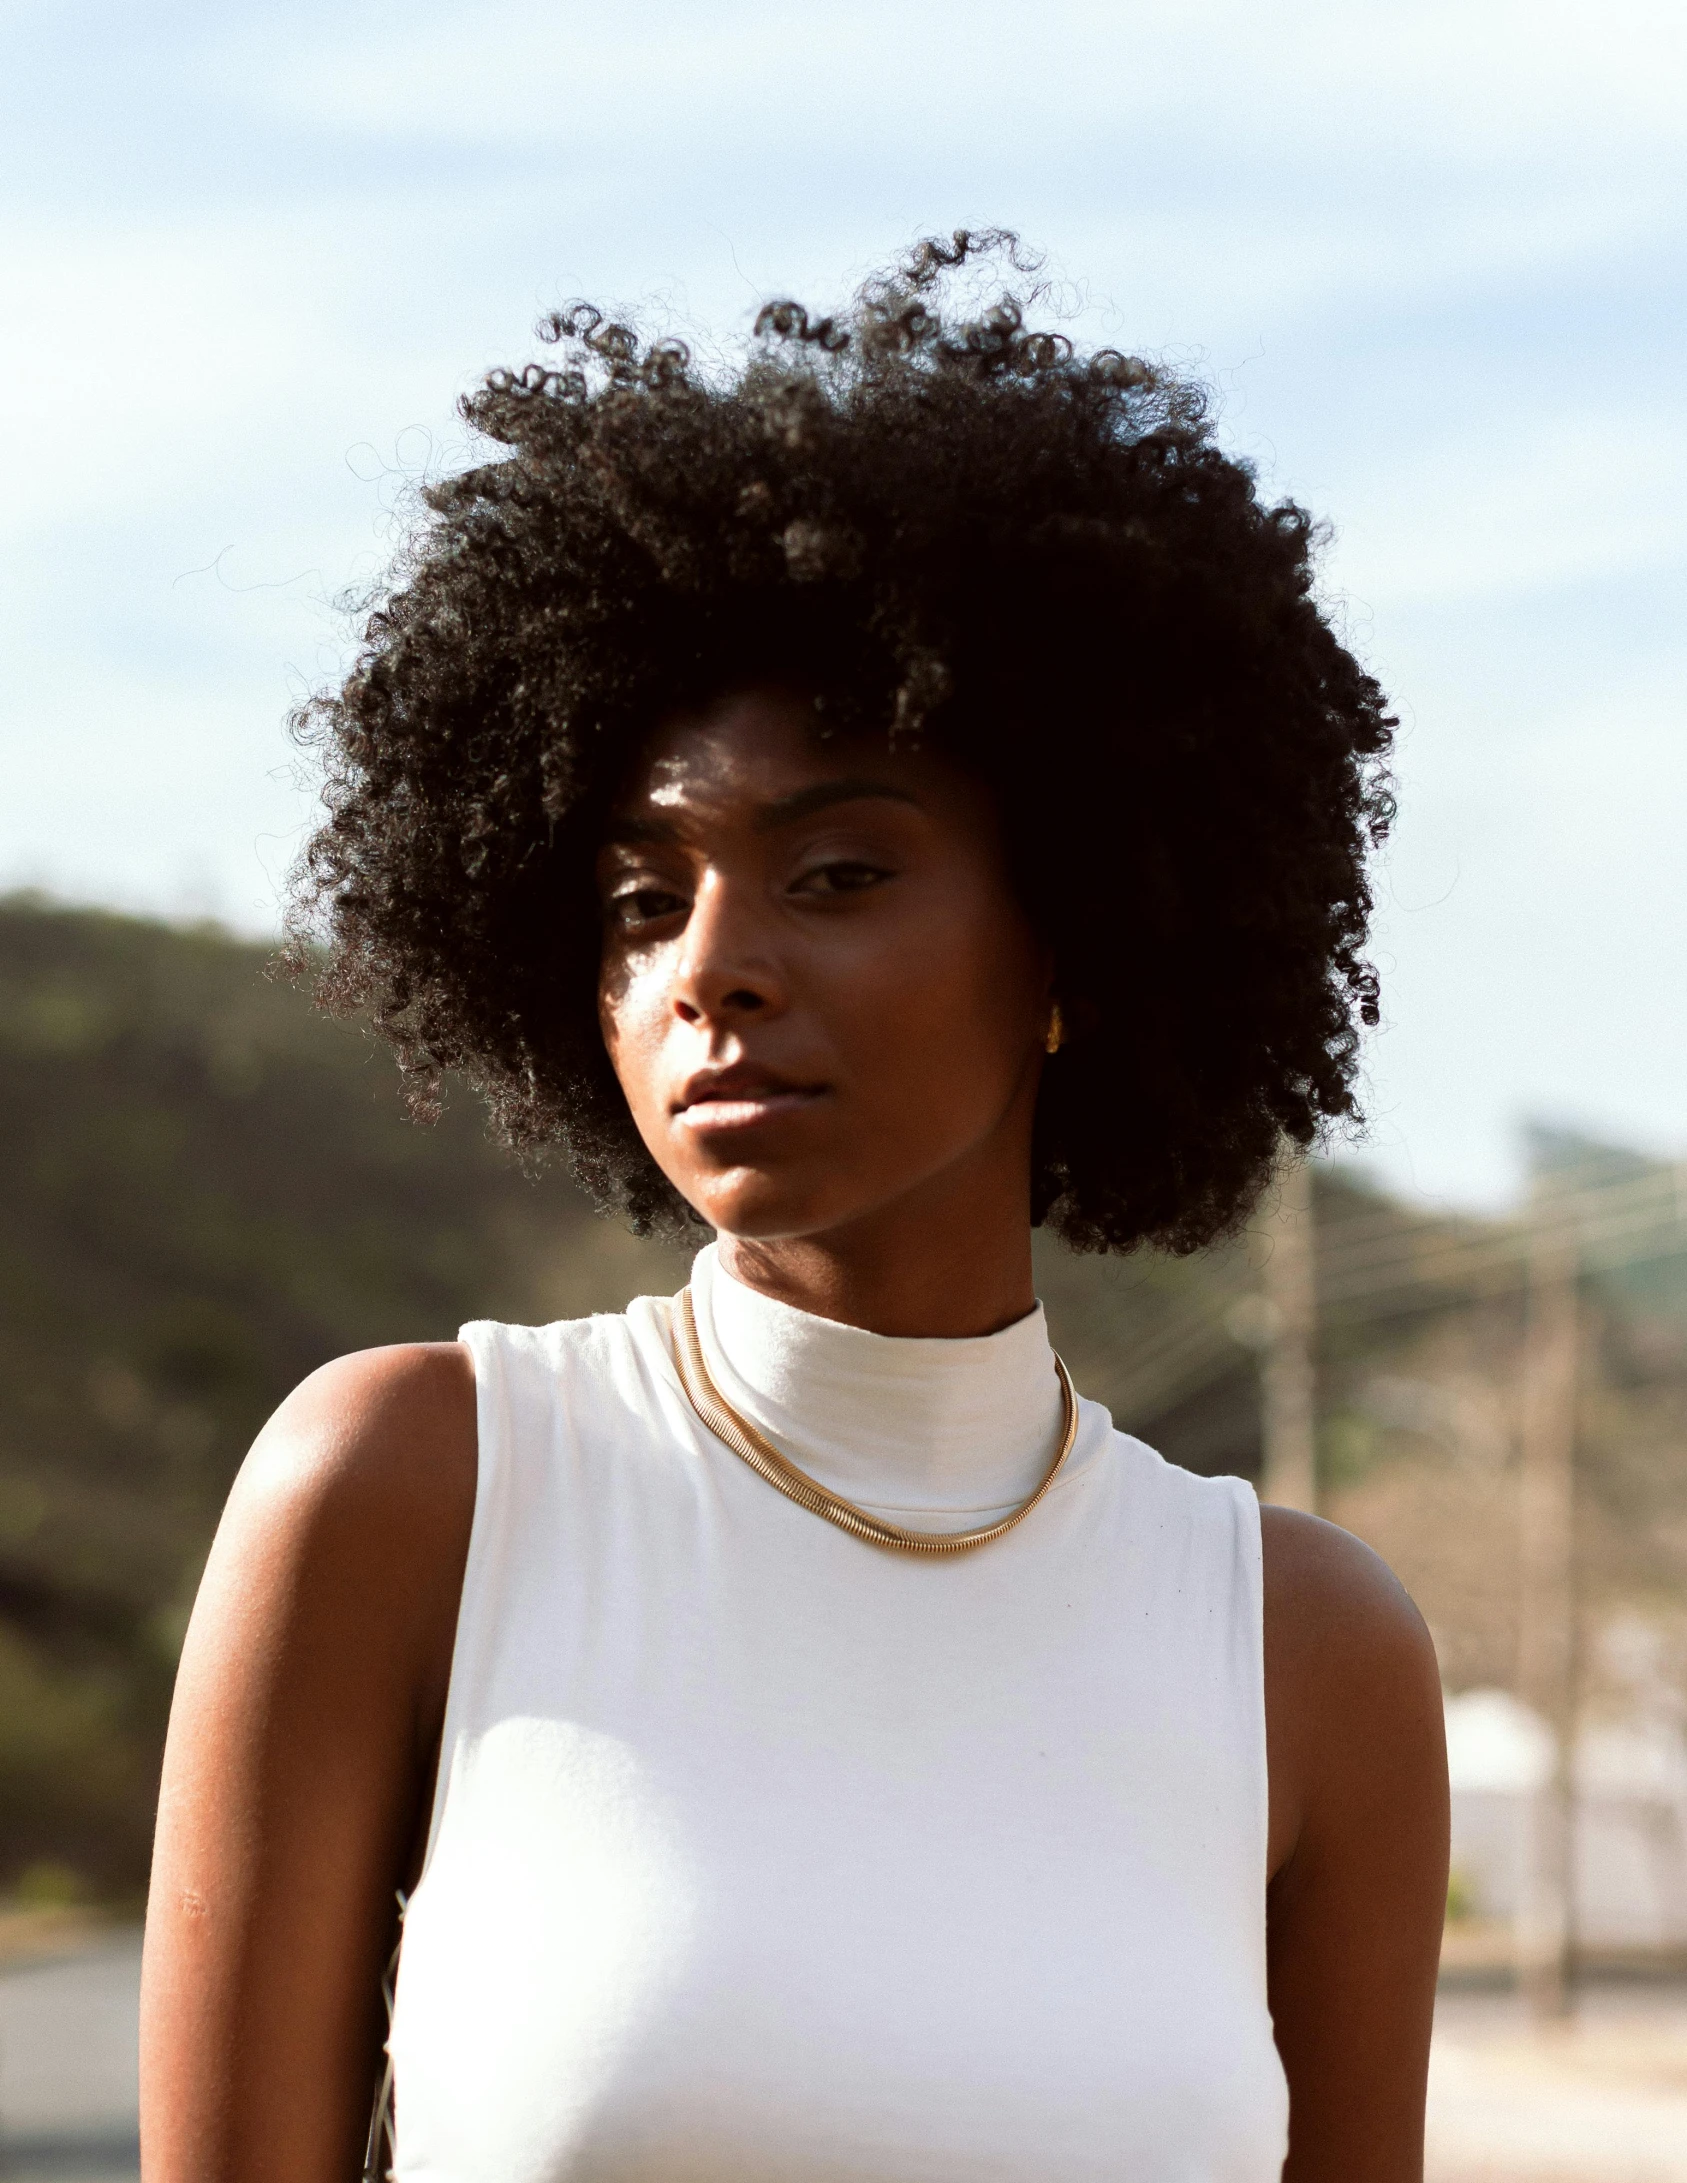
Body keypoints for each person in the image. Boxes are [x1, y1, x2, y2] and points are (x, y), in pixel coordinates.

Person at [141, 233, 1448, 2182]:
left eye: (836, 870)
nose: (711, 969)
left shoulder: (1306, 1650)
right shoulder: (418, 1490)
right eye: (641, 900)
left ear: (1084, 925)